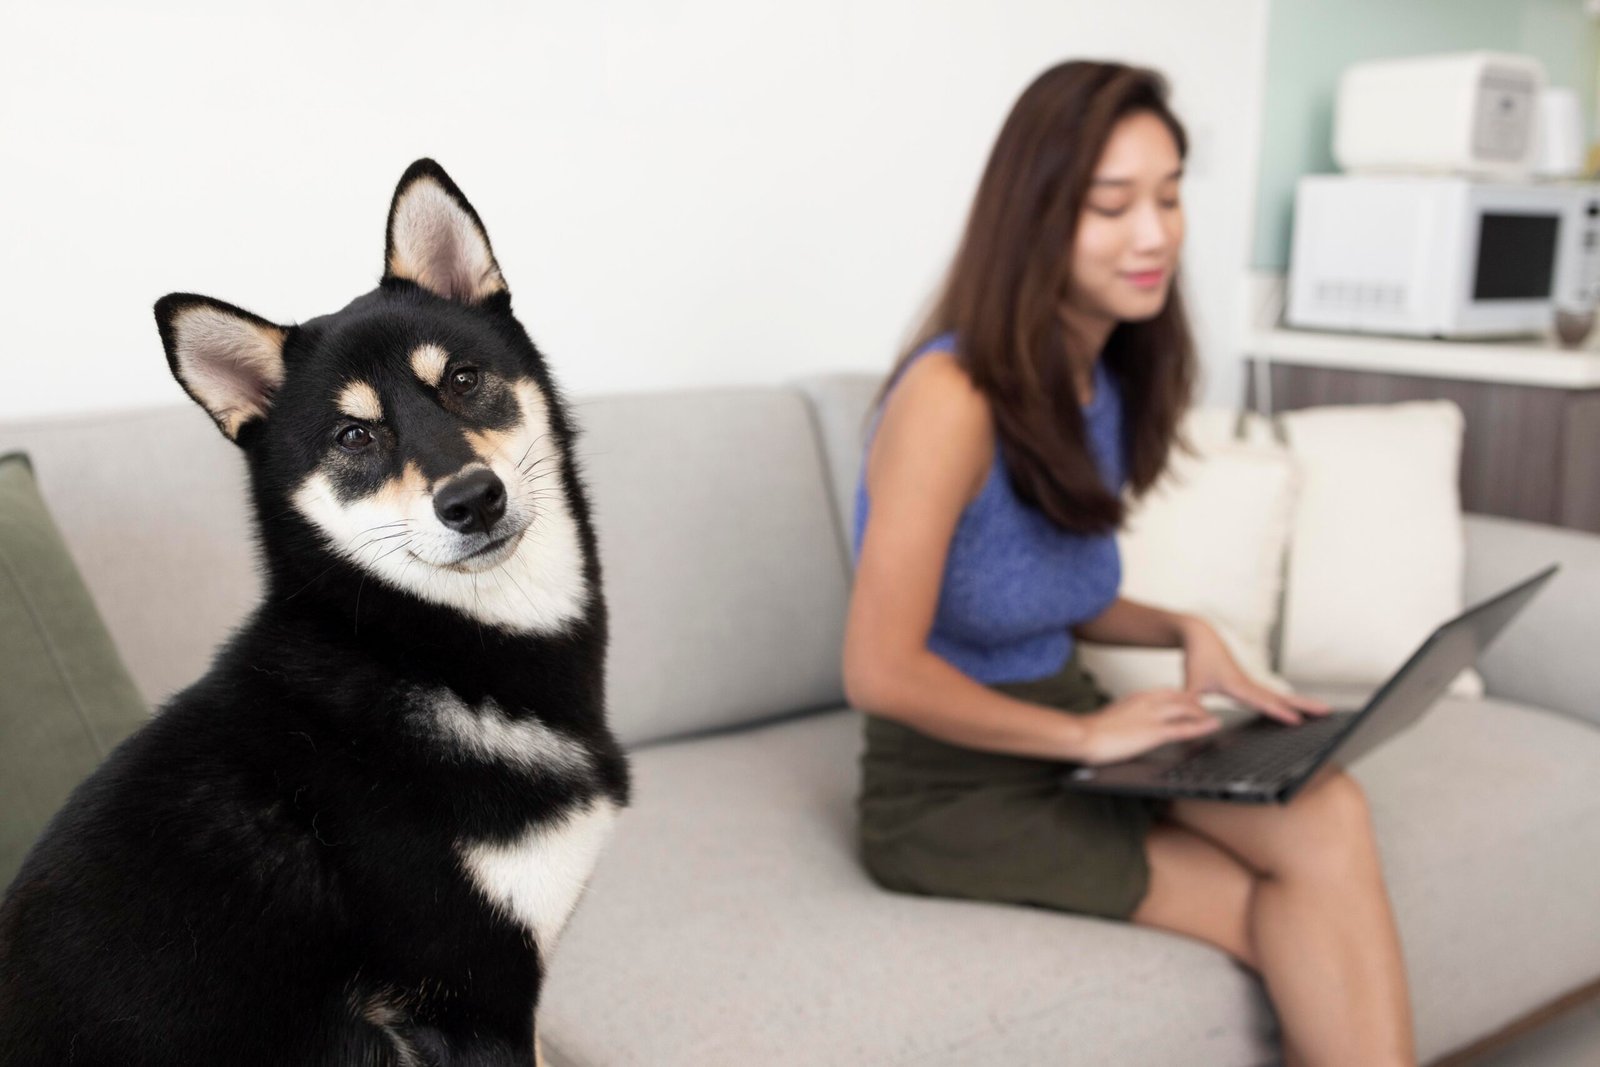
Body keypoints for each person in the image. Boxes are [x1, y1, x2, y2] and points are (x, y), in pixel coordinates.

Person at [842, 60, 1416, 1067]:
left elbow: (1046, 585)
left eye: (1168, 194)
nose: (1153, 234)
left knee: (1326, 809)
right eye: (1111, 205)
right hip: (948, 787)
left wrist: (1188, 629)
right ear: (1034, 216)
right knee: (1271, 902)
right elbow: (878, 669)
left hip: (1067, 731)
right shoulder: (951, 399)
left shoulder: (1095, 373)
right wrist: (1091, 732)